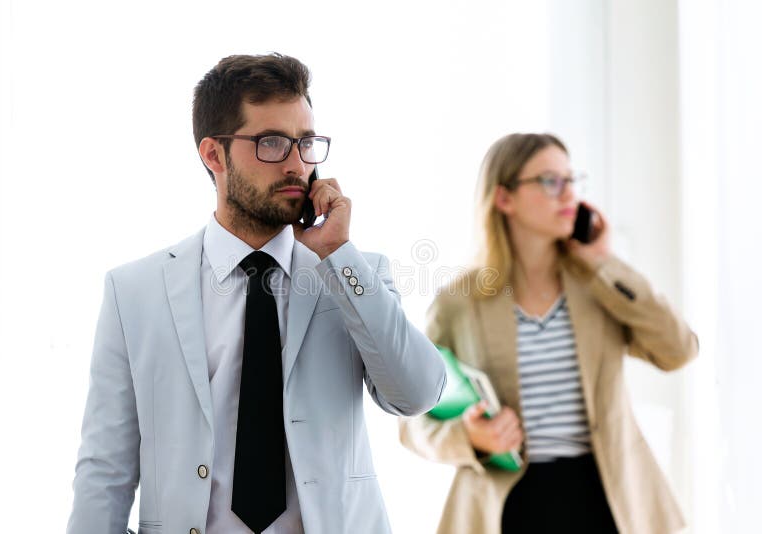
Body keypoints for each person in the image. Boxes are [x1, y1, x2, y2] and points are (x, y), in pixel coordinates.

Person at [66, 53, 446, 534]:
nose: (296, 164)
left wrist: (339, 256)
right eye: (271, 142)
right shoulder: (134, 292)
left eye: (306, 143)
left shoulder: (354, 273)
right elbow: (106, 471)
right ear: (212, 154)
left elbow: (417, 394)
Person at [399, 133, 698, 534]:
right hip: (507, 509)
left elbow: (678, 350)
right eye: (551, 181)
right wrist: (470, 435)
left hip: (607, 500)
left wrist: (604, 263)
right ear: (504, 198)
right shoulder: (459, 302)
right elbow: (413, 421)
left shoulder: (599, 285)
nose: (569, 194)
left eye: (573, 181)